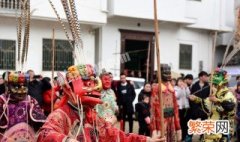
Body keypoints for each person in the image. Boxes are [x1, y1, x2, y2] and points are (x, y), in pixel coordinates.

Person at [37, 64, 166, 142]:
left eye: (93, 83)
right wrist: (66, 140)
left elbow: (116, 135)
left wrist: (146, 140)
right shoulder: (60, 115)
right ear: (69, 88)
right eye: (86, 83)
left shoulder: (92, 117)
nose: (93, 88)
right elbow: (44, 135)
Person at [188, 68, 236, 142]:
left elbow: (230, 107)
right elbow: (206, 103)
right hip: (212, 123)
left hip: (223, 124)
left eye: (215, 84)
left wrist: (217, 101)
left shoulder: (227, 94)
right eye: (213, 84)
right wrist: (196, 99)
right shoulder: (214, 93)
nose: (213, 85)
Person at [0, 71, 46, 141]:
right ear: (8, 86)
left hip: (28, 138)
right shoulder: (2, 101)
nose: (21, 91)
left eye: (24, 86)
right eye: (16, 86)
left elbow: (41, 124)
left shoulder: (31, 101)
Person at [150, 64, 181, 142]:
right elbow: (153, 107)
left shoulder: (171, 88)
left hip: (171, 117)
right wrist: (154, 126)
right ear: (160, 74)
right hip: (161, 118)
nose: (168, 75)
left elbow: (175, 105)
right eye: (165, 73)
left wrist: (177, 124)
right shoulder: (156, 88)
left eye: (169, 73)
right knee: (162, 138)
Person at [186, 71, 210, 141]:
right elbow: (191, 97)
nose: (206, 78)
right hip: (195, 107)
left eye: (206, 76)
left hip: (204, 108)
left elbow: (209, 97)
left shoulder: (208, 86)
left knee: (204, 123)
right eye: (205, 76)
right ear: (200, 77)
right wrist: (193, 106)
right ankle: (189, 137)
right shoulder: (194, 85)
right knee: (192, 122)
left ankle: (202, 137)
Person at [174, 77, 190, 142]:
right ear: (177, 82)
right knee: (179, 123)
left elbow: (188, 95)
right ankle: (179, 137)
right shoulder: (175, 88)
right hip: (179, 108)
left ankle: (184, 137)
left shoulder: (185, 87)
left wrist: (186, 88)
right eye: (179, 81)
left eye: (182, 81)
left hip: (185, 108)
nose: (181, 82)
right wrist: (181, 89)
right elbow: (177, 96)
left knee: (185, 123)